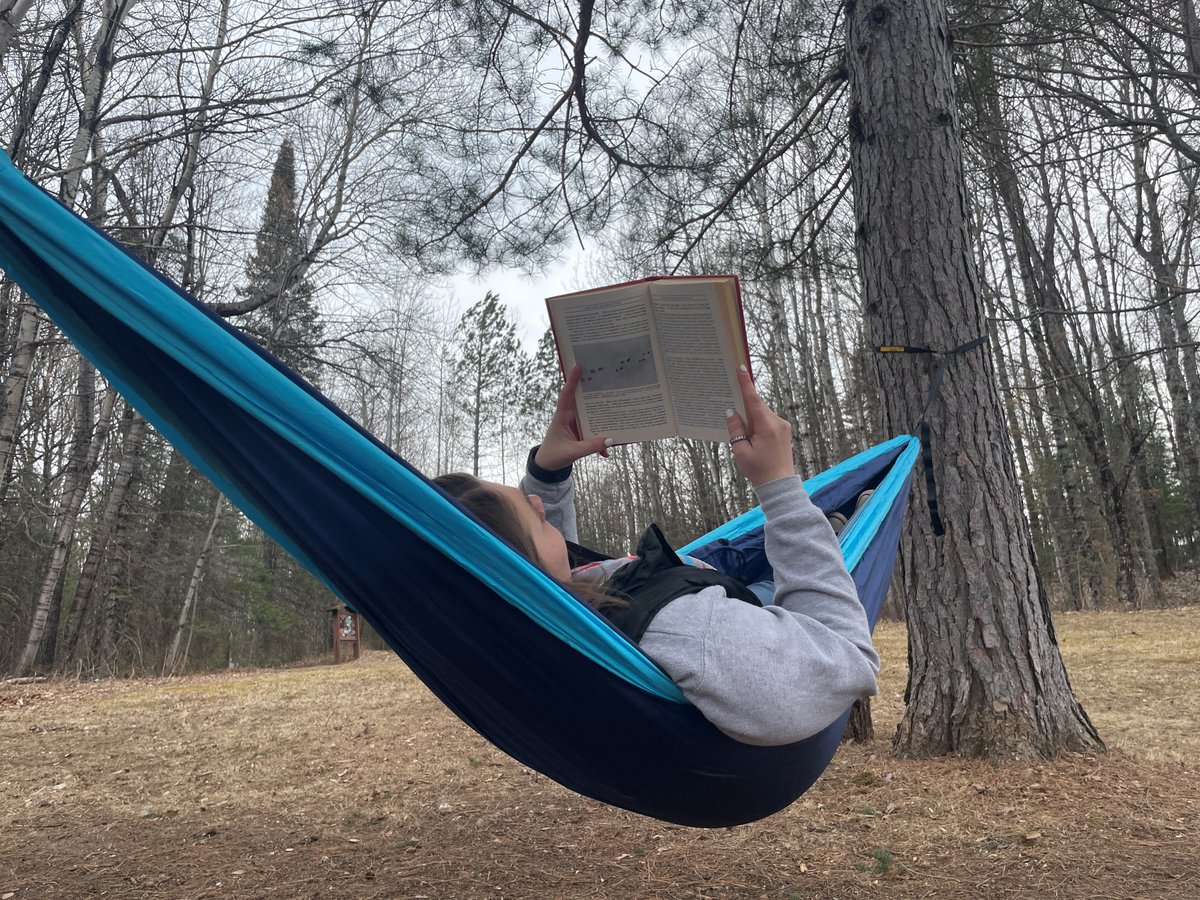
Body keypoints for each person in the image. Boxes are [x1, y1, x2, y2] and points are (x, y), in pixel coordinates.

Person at [434, 364, 879, 746]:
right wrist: (779, 486)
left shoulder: (535, 623)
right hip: (757, 618)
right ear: (521, 570)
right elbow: (844, 656)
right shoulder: (689, 634)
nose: (537, 504)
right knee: (772, 568)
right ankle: (836, 534)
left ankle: (829, 530)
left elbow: (549, 568)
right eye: (539, 519)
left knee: (742, 555)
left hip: (703, 585)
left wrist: (546, 474)